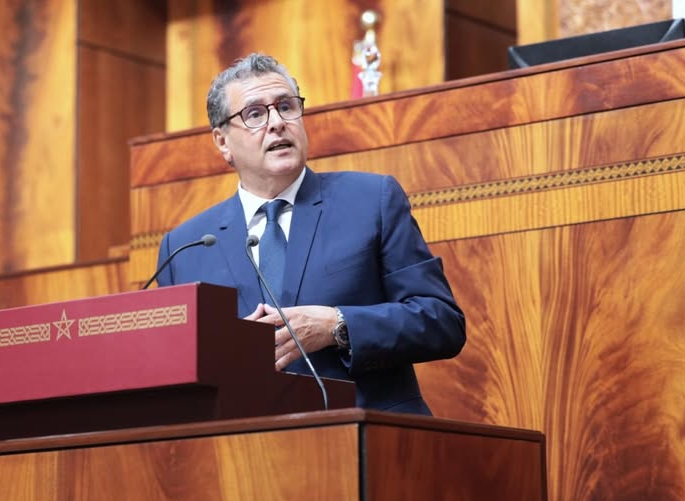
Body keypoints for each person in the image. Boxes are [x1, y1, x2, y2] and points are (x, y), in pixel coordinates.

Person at [156, 53, 465, 415]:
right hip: (247, 443)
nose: (277, 123)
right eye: (255, 114)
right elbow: (173, 373)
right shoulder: (185, 247)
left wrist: (337, 325)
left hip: (368, 432)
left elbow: (441, 321)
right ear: (222, 142)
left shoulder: (371, 201)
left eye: (286, 107)